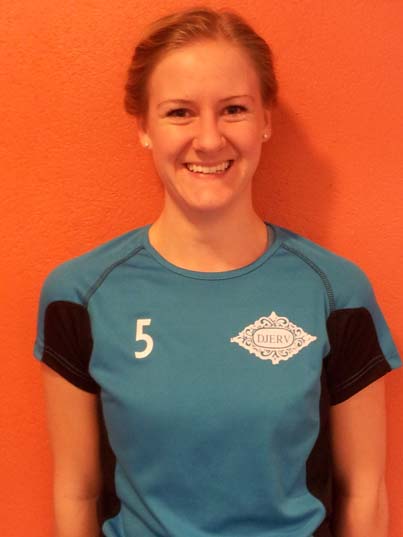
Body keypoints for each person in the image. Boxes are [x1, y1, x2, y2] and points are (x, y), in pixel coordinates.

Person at [34, 7, 401, 537]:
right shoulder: (79, 296)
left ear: (265, 120)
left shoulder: (336, 293)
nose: (208, 140)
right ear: (143, 127)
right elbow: (77, 491)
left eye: (233, 109)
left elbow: (364, 492)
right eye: (179, 112)